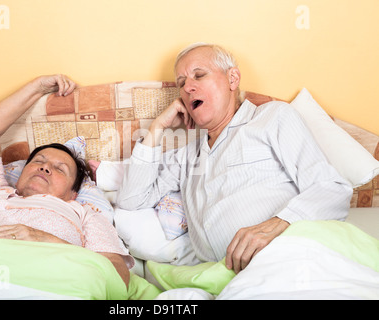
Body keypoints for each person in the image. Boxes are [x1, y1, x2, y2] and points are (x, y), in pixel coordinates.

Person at [116, 43, 353, 274]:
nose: (188, 87)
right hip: (225, 280)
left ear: (232, 79)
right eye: (181, 83)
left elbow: (332, 189)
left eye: (199, 75)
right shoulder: (187, 156)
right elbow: (131, 199)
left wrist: (278, 224)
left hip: (291, 261)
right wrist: (158, 126)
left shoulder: (273, 118)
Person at [0, 75, 133, 287]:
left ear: (72, 194)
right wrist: (38, 86)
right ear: (22, 172)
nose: (45, 167)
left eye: (59, 169)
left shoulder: (82, 214)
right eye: (39, 160)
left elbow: (117, 276)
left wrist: (48, 240)